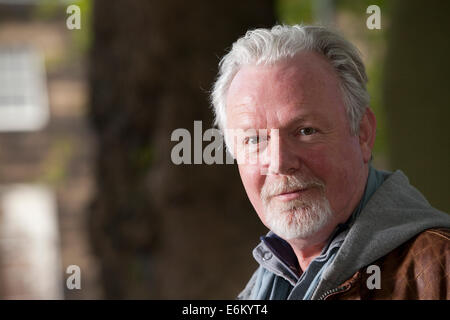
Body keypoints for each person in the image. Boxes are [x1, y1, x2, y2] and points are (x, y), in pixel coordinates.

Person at [210, 25, 450, 300]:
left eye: (305, 131)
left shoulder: (440, 273)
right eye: (254, 140)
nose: (279, 162)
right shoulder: (258, 292)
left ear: (363, 134)